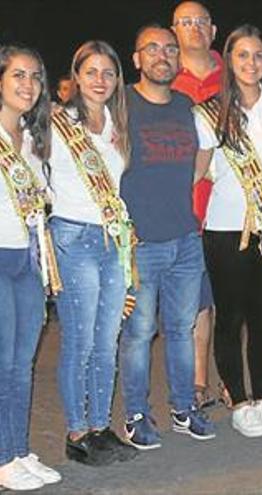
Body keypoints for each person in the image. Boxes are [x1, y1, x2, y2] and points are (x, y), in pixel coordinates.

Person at [118, 25, 215, 450]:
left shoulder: (185, 106)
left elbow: (201, 158)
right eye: (152, 49)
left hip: (185, 238)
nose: (163, 55)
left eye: (170, 49)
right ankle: (136, 415)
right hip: (142, 243)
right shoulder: (120, 103)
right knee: (139, 334)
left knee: (180, 328)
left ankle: (183, 407)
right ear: (137, 58)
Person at [195, 25, 262, 438]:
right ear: (228, 62)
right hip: (226, 229)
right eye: (242, 56)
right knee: (231, 318)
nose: (251, 63)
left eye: (258, 55)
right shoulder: (209, 112)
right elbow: (198, 171)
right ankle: (239, 399)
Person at [50, 40, 139, 468]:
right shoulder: (56, 122)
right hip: (73, 237)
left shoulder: (116, 124)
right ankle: (77, 431)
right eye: (91, 72)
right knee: (80, 341)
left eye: (108, 72)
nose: (100, 80)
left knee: (107, 341)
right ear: (76, 76)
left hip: (112, 241)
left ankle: (101, 426)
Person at [0, 44, 62, 491]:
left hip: (29, 258)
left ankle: (18, 449)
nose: (28, 85)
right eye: (18, 75)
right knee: (3, 363)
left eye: (35, 76)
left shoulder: (33, 138)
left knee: (23, 364)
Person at [170, 0, 225, 410]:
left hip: (232, 202)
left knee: (235, 298)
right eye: (185, 22)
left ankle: (236, 380)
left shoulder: (236, 70)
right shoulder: (164, 77)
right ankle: (198, 380)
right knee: (196, 298)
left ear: (214, 29)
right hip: (185, 203)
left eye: (200, 21)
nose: (194, 28)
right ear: (174, 31)